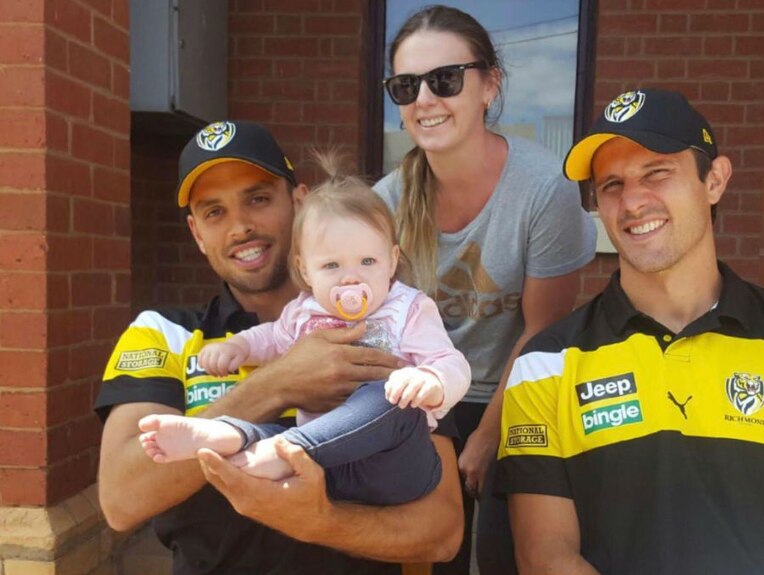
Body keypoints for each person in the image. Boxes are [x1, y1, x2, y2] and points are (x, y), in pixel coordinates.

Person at [497, 88, 764, 575]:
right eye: (610, 185)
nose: (632, 202)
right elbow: (546, 556)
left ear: (715, 180)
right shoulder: (546, 365)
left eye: (657, 174)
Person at [95, 120, 463, 575]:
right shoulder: (164, 333)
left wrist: (321, 522)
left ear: (300, 201)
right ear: (196, 233)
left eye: (258, 198)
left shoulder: (387, 318)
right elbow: (120, 501)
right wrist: (278, 385)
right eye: (215, 212)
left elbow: (443, 530)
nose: (241, 226)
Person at [374, 5, 597, 573]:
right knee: (427, 551)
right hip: (419, 395)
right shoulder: (385, 203)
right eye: (405, 86)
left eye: (445, 79)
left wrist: (484, 439)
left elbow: (542, 331)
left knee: (504, 553)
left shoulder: (544, 190)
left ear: (488, 86)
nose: (424, 98)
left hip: (511, 391)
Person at [136, 159, 471, 506]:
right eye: (331, 265)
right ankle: (226, 433)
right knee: (279, 435)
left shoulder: (409, 308)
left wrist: (431, 381)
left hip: (391, 466)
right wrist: (239, 346)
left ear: (391, 259)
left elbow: (453, 363)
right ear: (305, 272)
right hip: (319, 466)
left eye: (368, 262)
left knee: (389, 399)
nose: (351, 278)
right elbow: (270, 338)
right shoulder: (303, 311)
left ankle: (287, 448)